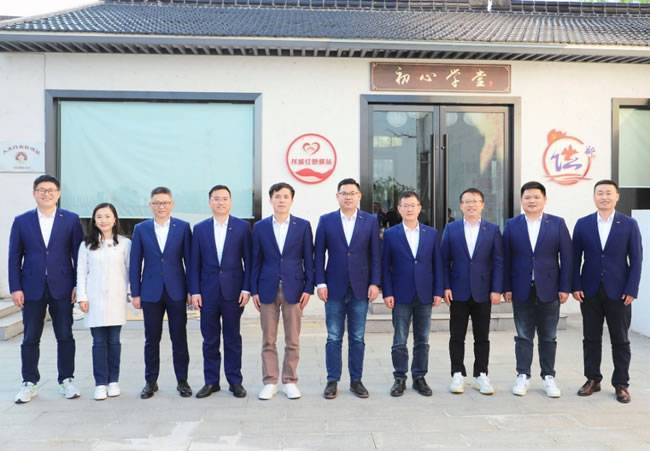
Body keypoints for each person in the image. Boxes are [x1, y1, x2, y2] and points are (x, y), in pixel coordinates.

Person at [9, 174, 84, 404]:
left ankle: (67, 379)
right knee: (30, 337)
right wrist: (15, 287)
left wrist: (78, 285)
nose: (46, 194)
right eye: (41, 190)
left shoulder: (70, 220)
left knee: (65, 335)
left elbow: (79, 256)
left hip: (63, 287)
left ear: (58, 194)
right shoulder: (22, 221)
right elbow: (14, 257)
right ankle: (29, 382)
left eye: (51, 190)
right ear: (34, 193)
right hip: (31, 288)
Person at [572, 180, 642, 404]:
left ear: (617, 196)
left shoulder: (629, 224)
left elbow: (637, 259)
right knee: (591, 338)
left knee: (620, 339)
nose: (604, 197)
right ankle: (593, 379)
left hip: (619, 291)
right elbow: (574, 258)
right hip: (589, 290)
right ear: (594, 197)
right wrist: (576, 285)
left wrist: (631, 289)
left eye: (608, 193)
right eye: (600, 193)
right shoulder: (583, 224)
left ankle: (621, 383)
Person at [503, 181, 572, 398]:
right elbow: (506, 258)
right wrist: (506, 287)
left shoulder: (557, 223)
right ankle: (523, 375)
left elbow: (567, 258)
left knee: (548, 336)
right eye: (527, 197)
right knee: (523, 336)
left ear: (544, 199)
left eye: (536, 197)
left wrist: (565, 287)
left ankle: (548, 376)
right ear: (521, 200)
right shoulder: (512, 224)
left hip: (550, 288)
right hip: (521, 288)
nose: (531, 201)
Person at [314, 178, 381, 399]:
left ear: (359, 196)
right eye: (344, 193)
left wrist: (375, 282)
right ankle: (332, 380)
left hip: (361, 288)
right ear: (337, 196)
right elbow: (318, 255)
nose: (348, 197)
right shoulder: (326, 220)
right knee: (334, 336)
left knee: (357, 337)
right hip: (333, 288)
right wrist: (320, 282)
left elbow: (375, 255)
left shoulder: (370, 221)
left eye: (352, 193)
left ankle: (356, 381)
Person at [251, 182, 314, 400]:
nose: (281, 200)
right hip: (266, 288)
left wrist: (308, 288)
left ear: (291, 200)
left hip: (294, 288)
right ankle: (270, 381)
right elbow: (255, 261)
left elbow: (309, 260)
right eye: (277, 196)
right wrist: (254, 290)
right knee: (268, 339)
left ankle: (290, 381)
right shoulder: (260, 227)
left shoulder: (302, 226)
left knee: (292, 339)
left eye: (285, 196)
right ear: (271, 200)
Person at [130, 186, 192, 399]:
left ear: (172, 204)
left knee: (179, 338)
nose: (161, 206)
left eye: (165, 203)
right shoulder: (141, 229)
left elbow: (190, 262)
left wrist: (192, 290)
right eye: (157, 203)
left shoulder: (183, 227)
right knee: (151, 339)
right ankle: (150, 381)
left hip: (177, 290)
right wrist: (135, 293)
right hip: (150, 292)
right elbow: (135, 263)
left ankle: (182, 381)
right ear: (150, 205)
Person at [190, 185, 251, 399]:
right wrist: (195, 291)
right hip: (207, 293)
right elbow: (194, 263)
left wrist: (246, 288)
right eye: (216, 199)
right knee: (210, 339)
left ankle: (235, 381)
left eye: (225, 198)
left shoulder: (242, 227)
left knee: (232, 338)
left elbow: (249, 261)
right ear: (210, 202)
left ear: (230, 202)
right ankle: (211, 382)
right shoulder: (200, 229)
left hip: (233, 292)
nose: (220, 202)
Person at [441, 188, 503, 396]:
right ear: (461, 206)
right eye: (467, 201)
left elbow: (498, 261)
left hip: (483, 291)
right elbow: (443, 260)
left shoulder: (492, 230)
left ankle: (481, 374)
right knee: (456, 335)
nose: (471, 205)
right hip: (457, 291)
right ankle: (457, 373)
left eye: (475, 201)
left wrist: (496, 289)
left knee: (482, 336)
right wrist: (446, 286)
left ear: (482, 205)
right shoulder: (451, 229)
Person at [382, 191, 443, 397]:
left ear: (419, 208)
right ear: (399, 209)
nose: (409, 209)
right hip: (400, 294)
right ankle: (399, 378)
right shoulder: (391, 234)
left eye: (413, 205)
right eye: (405, 205)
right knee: (400, 338)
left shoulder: (431, 233)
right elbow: (385, 266)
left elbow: (437, 264)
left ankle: (419, 377)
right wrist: (387, 292)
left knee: (422, 339)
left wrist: (438, 291)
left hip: (425, 293)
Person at [76, 203, 130, 401]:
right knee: (98, 342)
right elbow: (81, 272)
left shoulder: (124, 243)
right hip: (94, 300)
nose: (103, 220)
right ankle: (100, 383)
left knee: (114, 341)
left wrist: (131, 293)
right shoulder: (86, 245)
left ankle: (113, 381)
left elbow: (131, 270)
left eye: (107, 216)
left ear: (115, 219)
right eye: (99, 216)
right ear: (94, 220)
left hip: (116, 298)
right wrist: (82, 296)